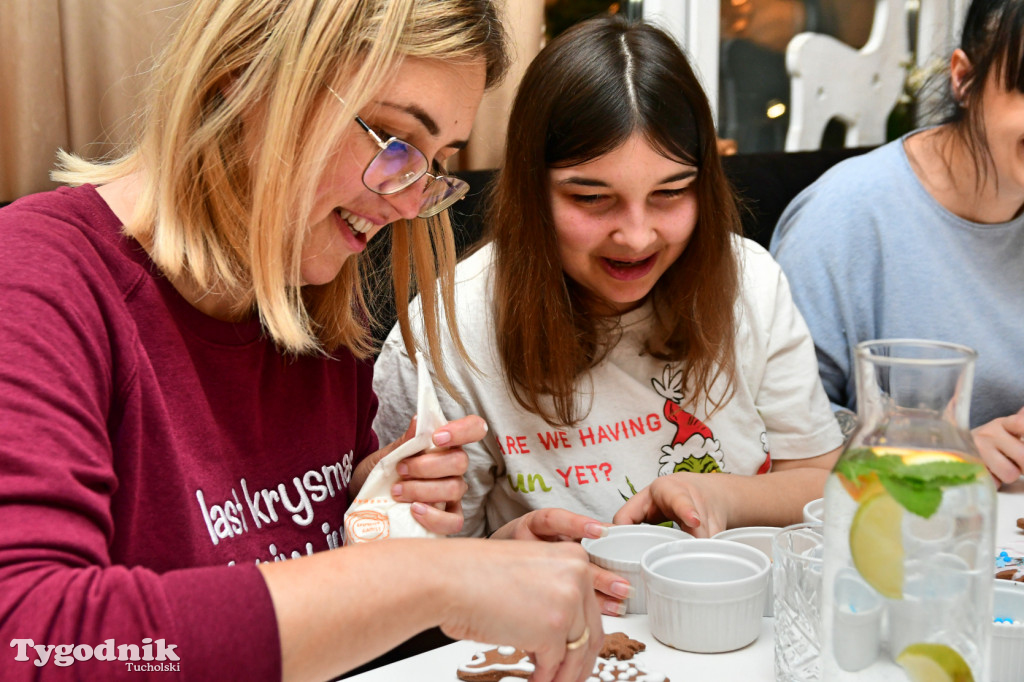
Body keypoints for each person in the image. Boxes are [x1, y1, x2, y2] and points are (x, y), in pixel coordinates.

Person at [0, 2, 604, 681]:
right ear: (245, 75)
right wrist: (434, 581)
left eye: (433, 163)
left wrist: (449, 560)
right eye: (394, 139)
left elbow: (312, 633)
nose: (410, 203)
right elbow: (35, 642)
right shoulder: (36, 281)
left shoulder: (315, 313)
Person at [373, 15, 844, 617]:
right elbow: (403, 568)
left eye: (671, 192)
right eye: (592, 199)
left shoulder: (747, 281)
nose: (637, 235)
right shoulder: (453, 328)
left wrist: (718, 495)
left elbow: (820, 479)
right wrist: (498, 558)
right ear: (530, 192)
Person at [770, 0, 1024, 487]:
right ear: (964, 80)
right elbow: (780, 432)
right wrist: (941, 449)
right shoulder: (841, 218)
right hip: (892, 531)